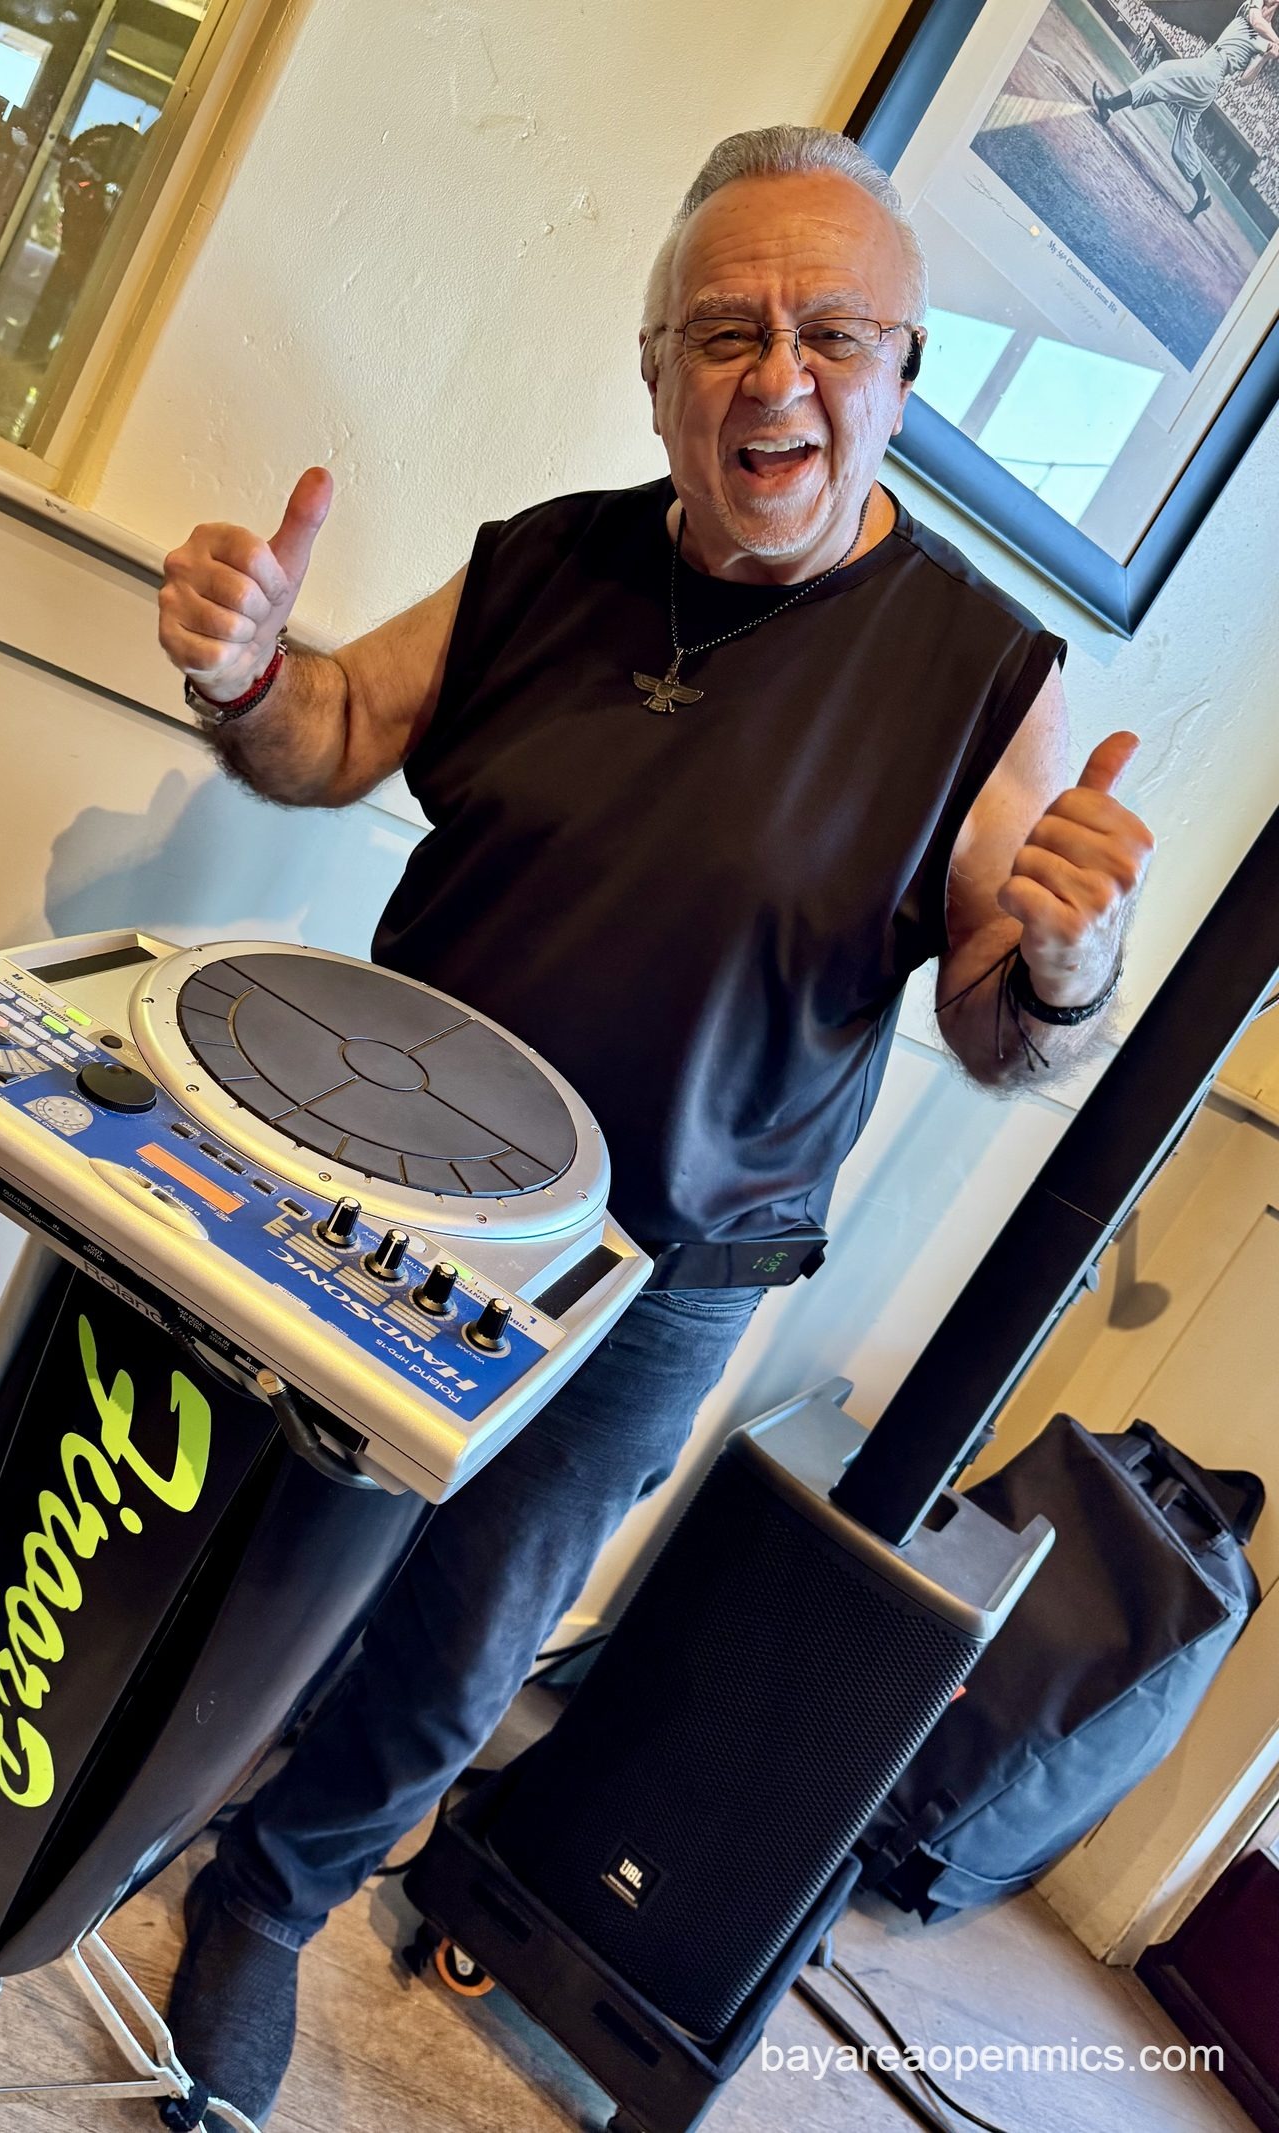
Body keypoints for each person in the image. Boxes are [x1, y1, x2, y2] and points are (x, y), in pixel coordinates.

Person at [154, 124, 1156, 2126]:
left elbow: (984, 1011)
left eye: (825, 332)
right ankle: (121, 1797)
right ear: (653, 372)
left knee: (465, 1633)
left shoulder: (979, 671)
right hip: (387, 1178)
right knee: (259, 1530)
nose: (769, 376)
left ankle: (267, 1901)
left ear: (902, 374)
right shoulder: (545, 559)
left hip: (659, 1268)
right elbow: (335, 727)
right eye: (720, 330)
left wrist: (1061, 962)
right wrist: (248, 669)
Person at [1092, 0, 1279, 220]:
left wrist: (1266, 56)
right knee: (1181, 143)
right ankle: (1203, 195)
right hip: (1208, 73)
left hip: (1212, 72)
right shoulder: (1252, 8)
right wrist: (1276, 40)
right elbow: (1256, 21)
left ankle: (1110, 105)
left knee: (1162, 72)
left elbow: (1245, 81)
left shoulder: (1265, 40)